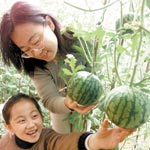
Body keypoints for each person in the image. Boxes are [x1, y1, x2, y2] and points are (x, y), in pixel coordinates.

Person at [0, 1, 95, 133]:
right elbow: (50, 99)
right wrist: (68, 104)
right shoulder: (34, 64)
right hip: (60, 105)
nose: (36, 52)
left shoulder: (80, 39)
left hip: (86, 102)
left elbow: (96, 72)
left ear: (49, 23)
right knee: (61, 140)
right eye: (26, 49)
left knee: (84, 136)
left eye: (35, 41)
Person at [0, 93, 135, 150]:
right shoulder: (4, 142)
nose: (31, 124)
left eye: (34, 116)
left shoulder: (48, 138)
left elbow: (65, 143)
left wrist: (94, 141)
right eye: (21, 120)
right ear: (9, 127)